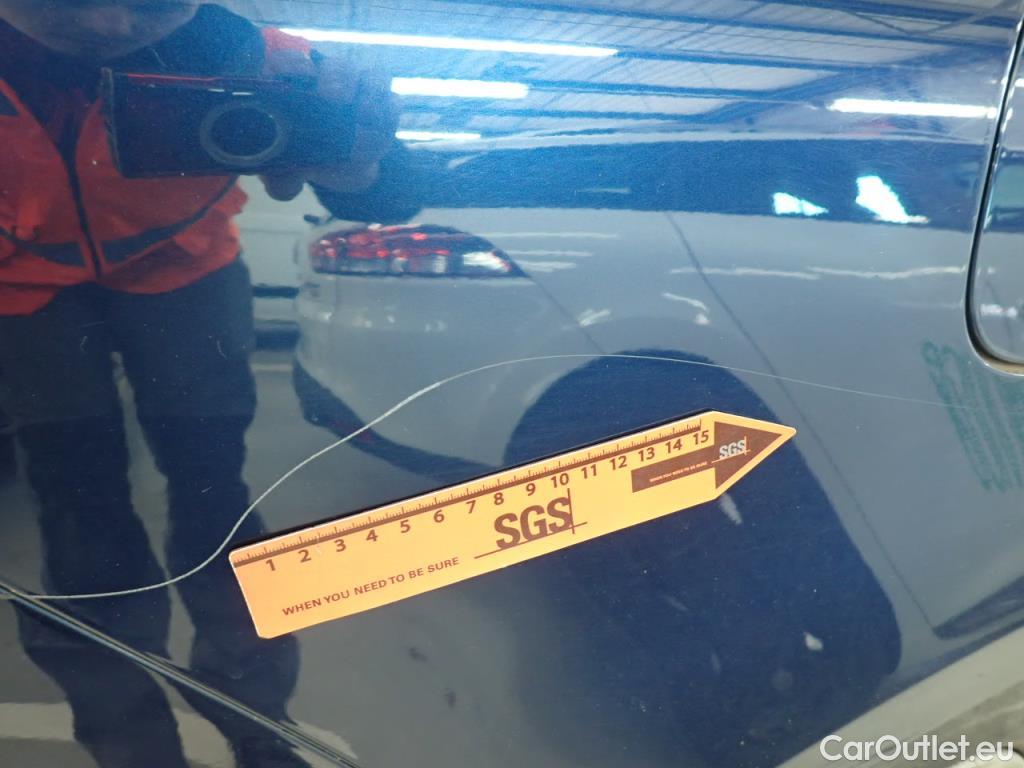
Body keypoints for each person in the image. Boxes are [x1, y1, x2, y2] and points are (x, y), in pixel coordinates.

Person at [0, 1, 416, 765]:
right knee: (78, 511)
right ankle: (132, 746)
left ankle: (258, 721)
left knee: (212, 494)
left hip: (184, 273)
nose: (113, 24)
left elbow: (392, 193)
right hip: (21, 290)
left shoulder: (258, 58)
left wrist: (362, 164)